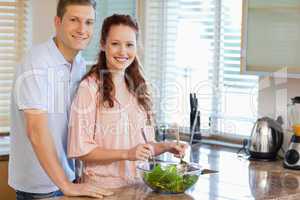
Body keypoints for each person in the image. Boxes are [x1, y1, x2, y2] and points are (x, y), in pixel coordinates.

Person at [68, 14, 186, 189]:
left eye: (129, 45)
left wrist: (167, 146)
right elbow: (80, 150)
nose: (123, 52)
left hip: (138, 187)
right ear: (103, 45)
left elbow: (144, 147)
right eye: (115, 44)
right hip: (102, 190)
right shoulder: (90, 88)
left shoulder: (138, 87)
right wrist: (126, 153)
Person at [9, 0, 112, 199]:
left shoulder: (80, 64)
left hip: (68, 178)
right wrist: (66, 185)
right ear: (58, 22)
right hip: (40, 186)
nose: (82, 29)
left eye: (89, 22)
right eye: (74, 20)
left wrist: (77, 174)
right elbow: (36, 131)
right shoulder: (36, 62)